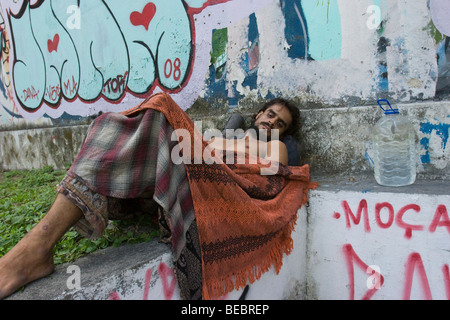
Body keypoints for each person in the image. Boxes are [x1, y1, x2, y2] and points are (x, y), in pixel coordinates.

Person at [0, 95, 300, 300]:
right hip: (191, 177)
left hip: (220, 188)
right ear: (258, 113)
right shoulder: (228, 134)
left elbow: (265, 165)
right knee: (111, 123)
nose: (272, 122)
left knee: (162, 105)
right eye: (270, 114)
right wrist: (218, 142)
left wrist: (234, 141)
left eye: (280, 123)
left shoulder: (278, 146)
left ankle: (35, 250)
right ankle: (38, 244)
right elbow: (201, 149)